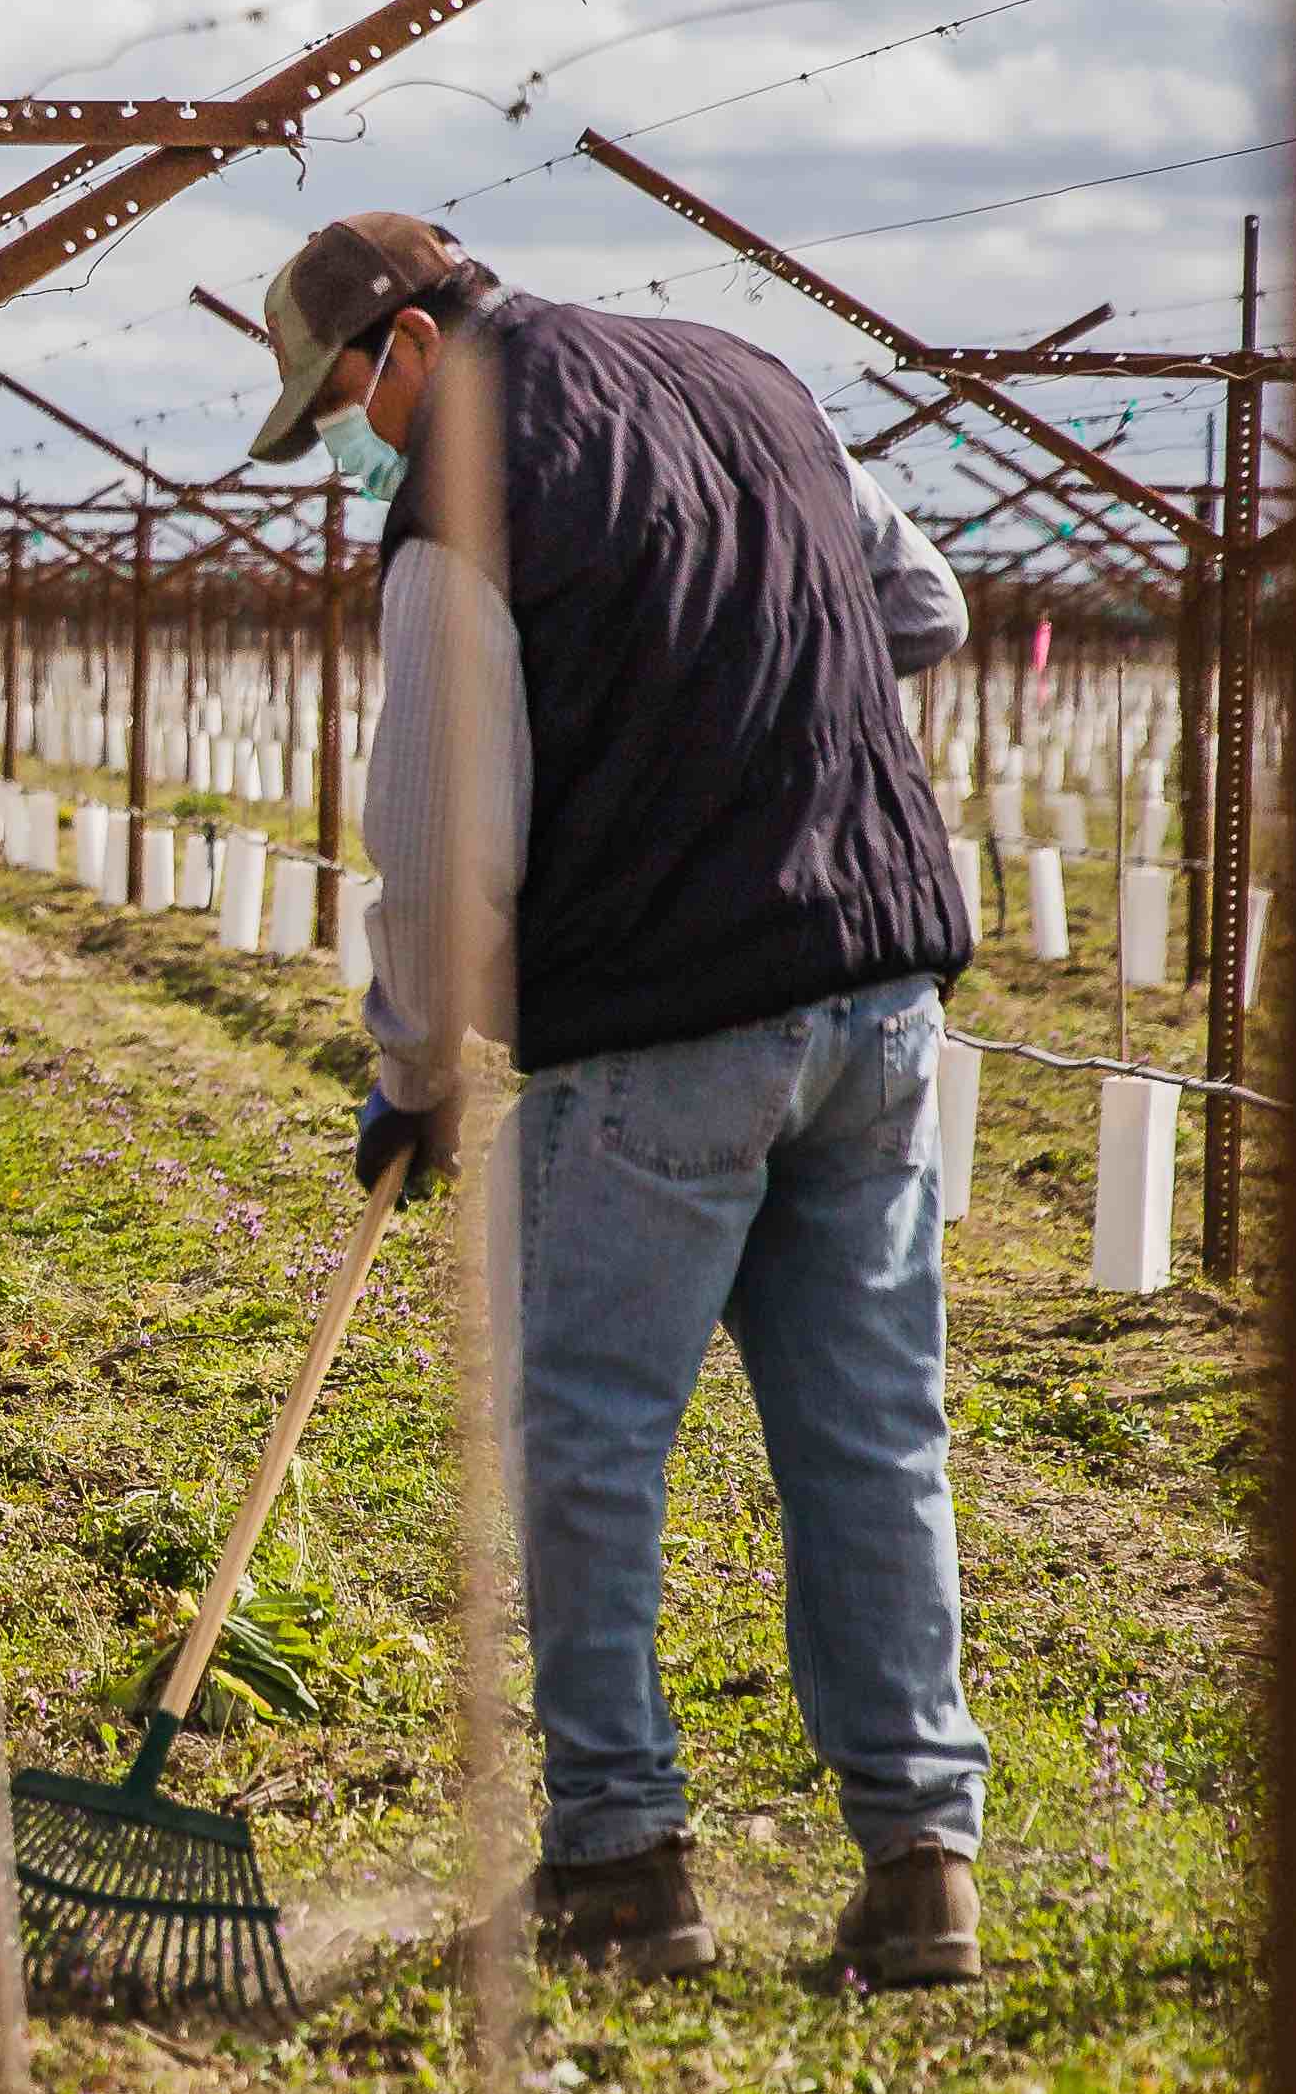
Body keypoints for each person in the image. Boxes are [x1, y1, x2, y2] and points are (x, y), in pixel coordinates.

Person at [247, 211, 990, 1991]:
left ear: (405, 347)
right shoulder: (754, 385)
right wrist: (747, 724)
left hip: (663, 1021)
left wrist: (413, 1065)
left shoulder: (463, 492)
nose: (345, 444)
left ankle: (617, 1857)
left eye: (338, 403)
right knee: (871, 1429)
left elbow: (433, 842)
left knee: (582, 1433)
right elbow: (926, 603)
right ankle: (920, 1865)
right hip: (875, 998)